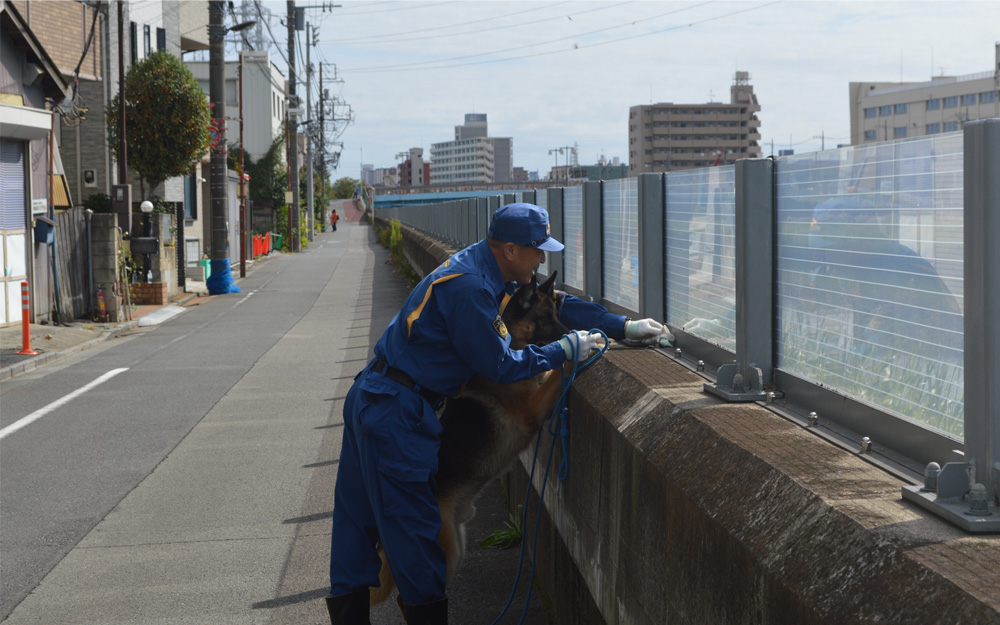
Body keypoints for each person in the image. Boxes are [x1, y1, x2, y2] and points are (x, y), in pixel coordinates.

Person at [326, 203, 671, 625]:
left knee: (355, 528)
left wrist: (622, 326)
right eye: (537, 250)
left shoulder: (483, 268)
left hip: (373, 394)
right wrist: (563, 350)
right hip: (396, 412)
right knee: (414, 535)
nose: (542, 259)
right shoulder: (472, 288)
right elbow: (500, 364)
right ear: (510, 249)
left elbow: (558, 304)